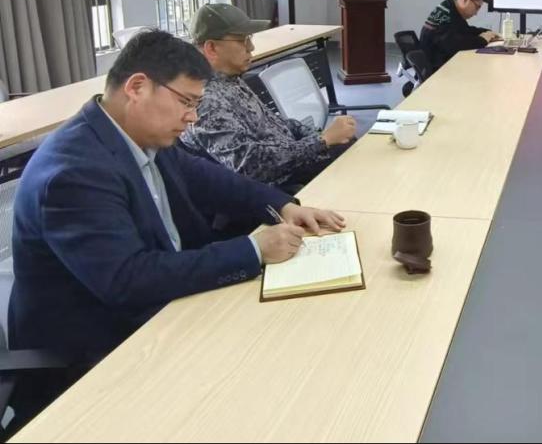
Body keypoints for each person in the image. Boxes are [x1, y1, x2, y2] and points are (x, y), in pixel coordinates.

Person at [9, 30, 344, 371]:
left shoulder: (137, 133)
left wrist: (283, 206)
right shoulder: (73, 174)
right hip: (101, 347)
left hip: (169, 300)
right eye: (186, 102)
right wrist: (253, 249)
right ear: (137, 88)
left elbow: (208, 178)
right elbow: (128, 280)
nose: (193, 117)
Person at [180, 4, 356, 189]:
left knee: (349, 146)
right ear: (211, 48)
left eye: (249, 38)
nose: (251, 47)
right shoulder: (205, 100)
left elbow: (277, 124)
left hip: (290, 164)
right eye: (242, 40)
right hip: (276, 187)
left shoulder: (230, 78)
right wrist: (322, 140)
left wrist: (316, 136)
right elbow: (250, 166)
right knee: (350, 162)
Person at [419, 0, 500, 70]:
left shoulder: (451, 8)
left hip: (445, 63)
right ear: (465, 0)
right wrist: (483, 39)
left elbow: (465, 30)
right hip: (438, 71)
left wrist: (488, 32)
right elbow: (455, 45)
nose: (476, 13)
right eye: (477, 7)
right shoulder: (446, 14)